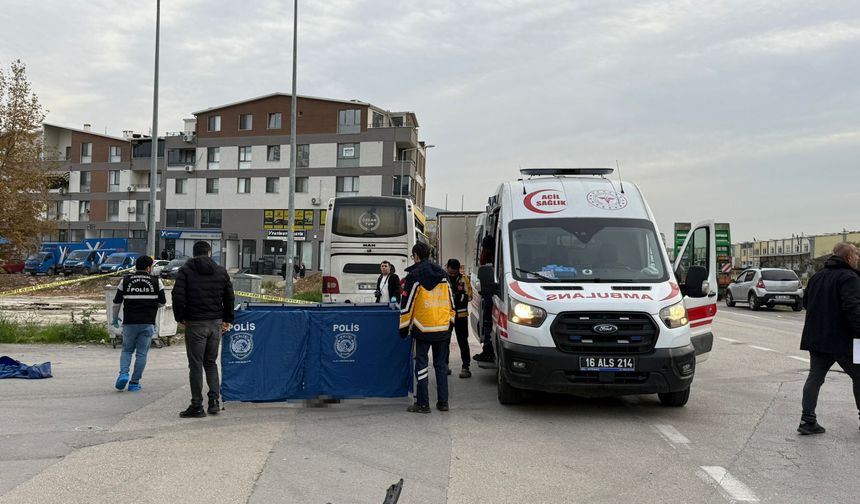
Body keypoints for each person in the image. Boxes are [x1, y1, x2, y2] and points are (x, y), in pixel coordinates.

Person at [797, 242, 860, 435]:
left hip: (819, 338)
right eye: (856, 254)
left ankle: (807, 420)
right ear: (848, 258)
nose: (858, 257)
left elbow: (806, 302)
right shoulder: (850, 277)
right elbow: (853, 308)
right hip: (848, 340)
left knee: (815, 377)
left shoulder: (817, 277)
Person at [173, 241, 235, 418]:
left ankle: (197, 406)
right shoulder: (221, 271)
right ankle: (214, 402)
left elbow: (177, 296)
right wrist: (228, 319)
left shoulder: (185, 270)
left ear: (193, 254)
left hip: (195, 323)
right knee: (210, 363)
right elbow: (229, 297)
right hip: (215, 323)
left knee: (195, 365)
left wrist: (180, 317)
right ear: (209, 253)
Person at [400, 242, 455, 413]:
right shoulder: (444, 275)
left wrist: (403, 327)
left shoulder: (414, 277)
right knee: (440, 366)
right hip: (442, 328)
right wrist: (450, 323)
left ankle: (423, 404)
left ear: (416, 255)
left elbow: (407, 304)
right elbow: (451, 303)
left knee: (422, 365)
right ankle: (443, 402)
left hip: (422, 328)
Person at [111, 255, 166, 392]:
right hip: (147, 322)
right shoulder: (156, 282)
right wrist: (151, 305)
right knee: (142, 353)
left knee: (127, 350)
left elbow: (117, 302)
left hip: (130, 322)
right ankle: (134, 383)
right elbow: (162, 302)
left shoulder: (125, 280)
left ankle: (123, 374)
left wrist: (114, 318)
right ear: (149, 267)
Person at [446, 258, 473, 378]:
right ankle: (444, 365)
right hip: (446, 315)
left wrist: (458, 297)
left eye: (454, 273)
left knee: (462, 341)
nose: (451, 274)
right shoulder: (443, 279)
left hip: (461, 316)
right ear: (447, 269)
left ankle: (465, 367)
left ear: (458, 270)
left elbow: (470, 296)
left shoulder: (464, 279)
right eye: (450, 272)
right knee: (444, 341)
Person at [474, 233, 496, 363]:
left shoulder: (491, 259)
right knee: (485, 324)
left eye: (483, 247)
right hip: (488, 296)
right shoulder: (490, 258)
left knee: (487, 325)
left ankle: (488, 352)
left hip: (490, 298)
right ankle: (486, 350)